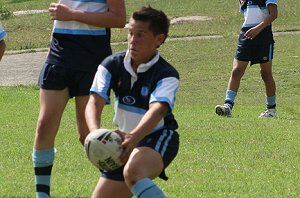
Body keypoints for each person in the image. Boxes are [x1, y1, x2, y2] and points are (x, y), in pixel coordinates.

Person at [32, 0, 126, 197]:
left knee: (88, 136)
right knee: (44, 125)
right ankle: (42, 195)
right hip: (59, 54)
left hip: (91, 58)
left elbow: (118, 18)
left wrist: (72, 14)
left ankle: (124, 183)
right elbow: (60, 14)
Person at [85, 6, 180, 198]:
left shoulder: (167, 74)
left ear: (159, 39)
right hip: (121, 142)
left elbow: (157, 110)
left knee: (133, 172)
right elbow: (94, 101)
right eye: (130, 33)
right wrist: (95, 133)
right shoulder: (111, 64)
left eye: (140, 35)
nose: (132, 40)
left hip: (157, 136)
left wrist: (134, 137)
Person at [215, 0, 278, 118]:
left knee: (265, 73)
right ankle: (228, 106)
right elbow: (247, 15)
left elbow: (274, 14)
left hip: (263, 35)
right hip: (246, 34)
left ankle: (271, 110)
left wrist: (258, 29)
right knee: (237, 70)